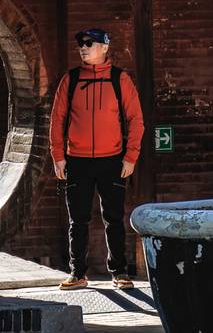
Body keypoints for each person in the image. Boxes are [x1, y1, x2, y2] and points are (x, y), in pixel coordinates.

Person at [50, 27, 144, 290]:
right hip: (76, 160)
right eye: (81, 43)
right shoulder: (70, 79)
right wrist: (58, 156)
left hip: (112, 160)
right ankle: (77, 273)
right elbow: (57, 119)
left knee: (114, 219)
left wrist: (130, 157)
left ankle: (120, 272)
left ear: (104, 47)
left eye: (89, 43)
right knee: (78, 220)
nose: (83, 47)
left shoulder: (119, 79)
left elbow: (136, 119)